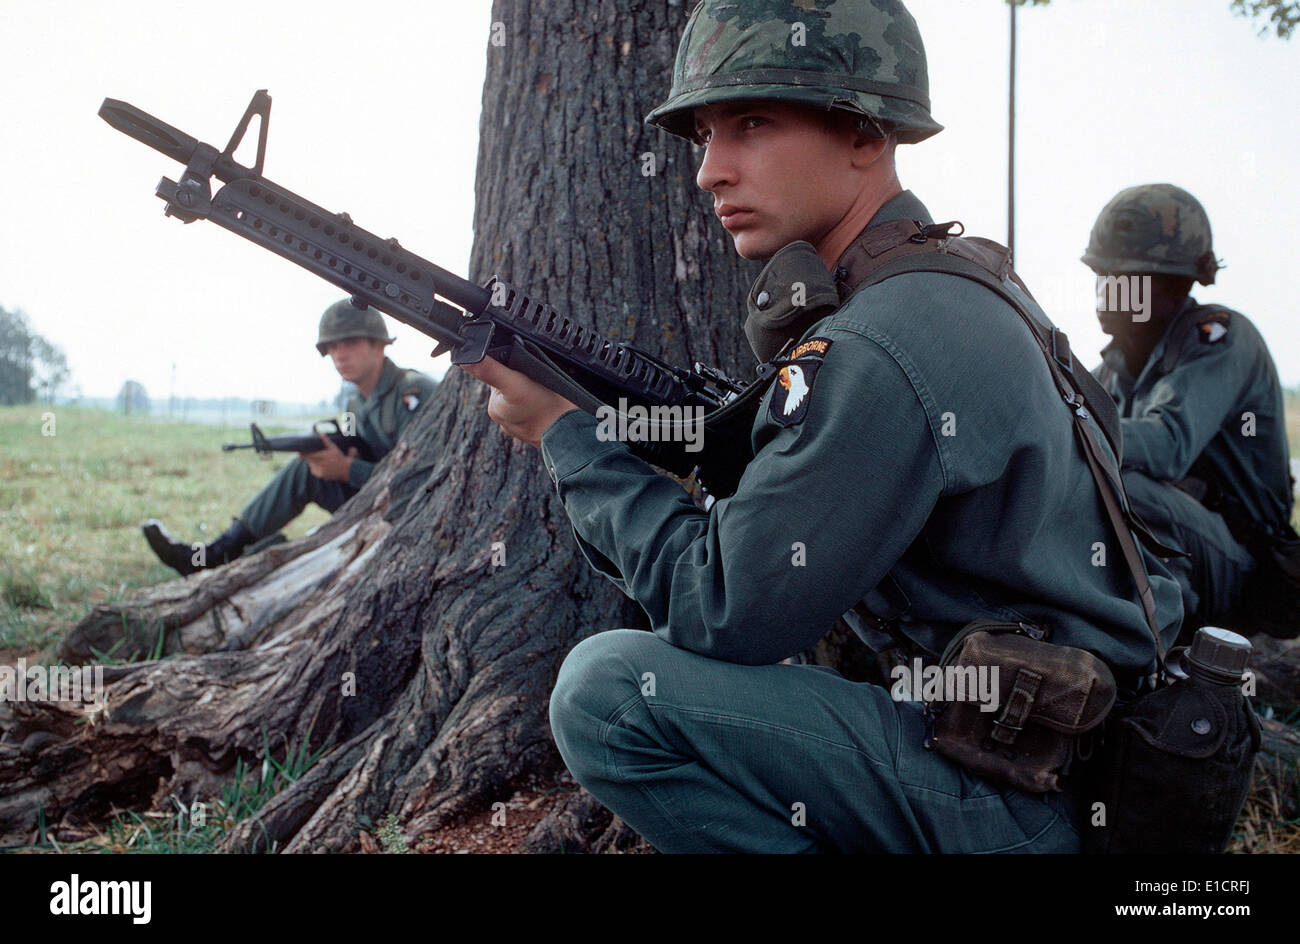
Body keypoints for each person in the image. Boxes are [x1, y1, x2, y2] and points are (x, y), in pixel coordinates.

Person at [463, 0, 1183, 853]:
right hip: (1069, 763)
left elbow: (723, 608)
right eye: (704, 136)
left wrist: (569, 437)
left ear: (866, 134)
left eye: (753, 123)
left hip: (1026, 803)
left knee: (608, 692)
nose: (710, 172)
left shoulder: (884, 338)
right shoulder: (953, 280)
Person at [1085, 184, 1294, 635]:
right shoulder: (1114, 366)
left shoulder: (1219, 340)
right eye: (1102, 276)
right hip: (1190, 546)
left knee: (1127, 487)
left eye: (1125, 279)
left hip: (1245, 566)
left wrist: (1066, 424)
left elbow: (1167, 445)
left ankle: (1164, 656)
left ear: (1174, 286)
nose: (1106, 291)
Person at [143, 299, 436, 576]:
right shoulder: (353, 404)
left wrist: (347, 469)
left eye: (350, 342)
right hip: (372, 497)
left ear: (379, 345)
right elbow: (354, 443)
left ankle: (221, 553)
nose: (339, 354)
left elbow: (421, 477)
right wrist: (334, 453)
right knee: (304, 468)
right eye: (331, 347)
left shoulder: (413, 394)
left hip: (412, 509)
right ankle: (215, 554)